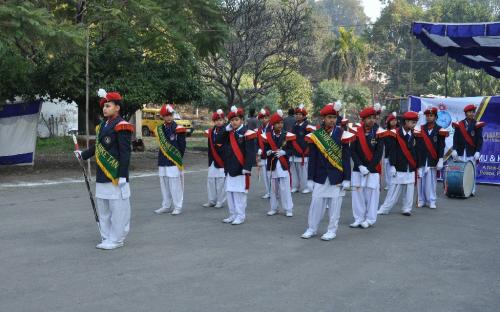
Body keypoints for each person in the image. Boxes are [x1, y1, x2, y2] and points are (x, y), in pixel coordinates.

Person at [75, 89, 134, 250]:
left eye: (108, 105)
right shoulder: (102, 126)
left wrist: (123, 175)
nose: (105, 108)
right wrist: (83, 154)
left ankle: (117, 239)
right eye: (104, 106)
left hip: (115, 175)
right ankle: (107, 236)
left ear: (117, 108)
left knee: (118, 209)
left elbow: (125, 153)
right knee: (104, 208)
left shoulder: (122, 126)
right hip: (102, 174)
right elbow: (98, 147)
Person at [301, 102, 355, 241]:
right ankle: (312, 228)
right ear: (323, 119)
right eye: (329, 117)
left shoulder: (343, 134)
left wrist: (347, 178)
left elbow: (346, 158)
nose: (332, 120)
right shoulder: (316, 135)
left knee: (334, 206)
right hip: (319, 175)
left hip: (336, 176)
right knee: (316, 204)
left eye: (334, 117)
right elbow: (312, 158)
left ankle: (332, 230)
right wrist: (310, 178)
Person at [217, 106, 257, 225]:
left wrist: (247, 167)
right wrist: (226, 128)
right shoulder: (229, 132)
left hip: (240, 167)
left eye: (236, 119)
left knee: (239, 193)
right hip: (229, 167)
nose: (234, 122)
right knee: (230, 192)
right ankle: (232, 214)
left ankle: (240, 215)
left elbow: (250, 152)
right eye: (232, 120)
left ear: (242, 120)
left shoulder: (247, 133)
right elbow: (218, 141)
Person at [377, 111, 420, 216]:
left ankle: (406, 208)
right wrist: (392, 165)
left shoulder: (416, 134)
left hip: (410, 165)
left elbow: (418, 151)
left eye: (415, 122)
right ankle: (385, 208)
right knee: (394, 189)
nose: (413, 125)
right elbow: (392, 150)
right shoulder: (395, 133)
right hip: (399, 165)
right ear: (405, 122)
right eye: (411, 122)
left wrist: (418, 166)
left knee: (409, 188)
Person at [350, 106, 386, 228]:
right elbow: (352, 151)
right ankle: (358, 218)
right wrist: (360, 166)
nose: (371, 120)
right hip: (358, 169)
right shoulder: (355, 131)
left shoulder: (379, 132)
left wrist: (369, 168)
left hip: (373, 169)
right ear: (363, 119)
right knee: (357, 194)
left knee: (372, 194)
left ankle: (370, 219)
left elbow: (379, 153)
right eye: (368, 118)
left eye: (373, 118)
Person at [261, 110, 296, 217]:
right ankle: (273, 208)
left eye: (281, 123)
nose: (280, 125)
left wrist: (284, 152)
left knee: (285, 188)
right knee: (273, 189)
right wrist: (268, 152)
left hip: (283, 164)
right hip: (272, 165)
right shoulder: (268, 136)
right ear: (273, 124)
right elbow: (265, 149)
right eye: (277, 123)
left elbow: (292, 150)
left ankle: (288, 209)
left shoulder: (287, 135)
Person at [154, 104, 187, 216]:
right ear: (162, 116)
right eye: (166, 115)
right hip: (162, 159)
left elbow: (182, 146)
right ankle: (166, 205)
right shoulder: (160, 128)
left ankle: (178, 206)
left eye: (170, 115)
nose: (168, 117)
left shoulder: (178, 128)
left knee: (175, 184)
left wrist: (178, 158)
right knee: (164, 183)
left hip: (174, 160)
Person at [416, 106, 448, 208]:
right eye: (427, 115)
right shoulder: (421, 129)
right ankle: (421, 200)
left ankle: (431, 200)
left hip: (432, 158)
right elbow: (416, 146)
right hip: (421, 159)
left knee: (431, 181)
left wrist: (440, 159)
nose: (429, 117)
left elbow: (441, 146)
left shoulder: (440, 129)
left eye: (431, 115)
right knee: (421, 181)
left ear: (435, 117)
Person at [451, 104, 485, 196]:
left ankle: (472, 189)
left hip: (471, 152)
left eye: (472, 112)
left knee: (471, 171)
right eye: (469, 112)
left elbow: (479, 139)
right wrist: (454, 149)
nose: (471, 114)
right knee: (461, 172)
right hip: (461, 151)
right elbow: (455, 138)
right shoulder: (459, 124)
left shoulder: (477, 125)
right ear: (465, 113)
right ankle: (462, 189)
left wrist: (478, 151)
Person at [202, 109, 226, 209]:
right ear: (214, 121)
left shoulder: (226, 131)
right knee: (211, 181)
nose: (218, 122)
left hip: (222, 160)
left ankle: (220, 201)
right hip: (212, 160)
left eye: (220, 120)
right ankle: (212, 200)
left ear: (224, 120)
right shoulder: (211, 132)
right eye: (216, 120)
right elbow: (209, 147)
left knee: (221, 182)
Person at [290, 104, 312, 194]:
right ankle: (295, 186)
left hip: (304, 152)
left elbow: (310, 139)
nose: (298, 116)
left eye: (300, 114)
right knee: (294, 171)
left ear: (304, 116)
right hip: (295, 152)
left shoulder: (307, 126)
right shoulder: (294, 125)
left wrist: (307, 150)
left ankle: (306, 186)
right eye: (297, 114)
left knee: (304, 171)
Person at [256, 108, 272, 199]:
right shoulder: (259, 129)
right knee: (265, 175)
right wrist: (258, 150)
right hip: (262, 155)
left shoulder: (272, 127)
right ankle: (268, 192)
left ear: (268, 118)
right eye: (262, 118)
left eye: (265, 117)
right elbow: (257, 142)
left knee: (271, 174)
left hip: (270, 153)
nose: (264, 119)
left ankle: (274, 192)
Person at [383, 112, 398, 190]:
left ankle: (394, 184)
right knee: (387, 171)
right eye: (392, 120)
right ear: (389, 122)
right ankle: (388, 184)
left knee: (395, 170)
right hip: (387, 154)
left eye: (395, 120)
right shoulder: (385, 131)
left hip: (396, 153)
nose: (394, 122)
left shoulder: (399, 130)